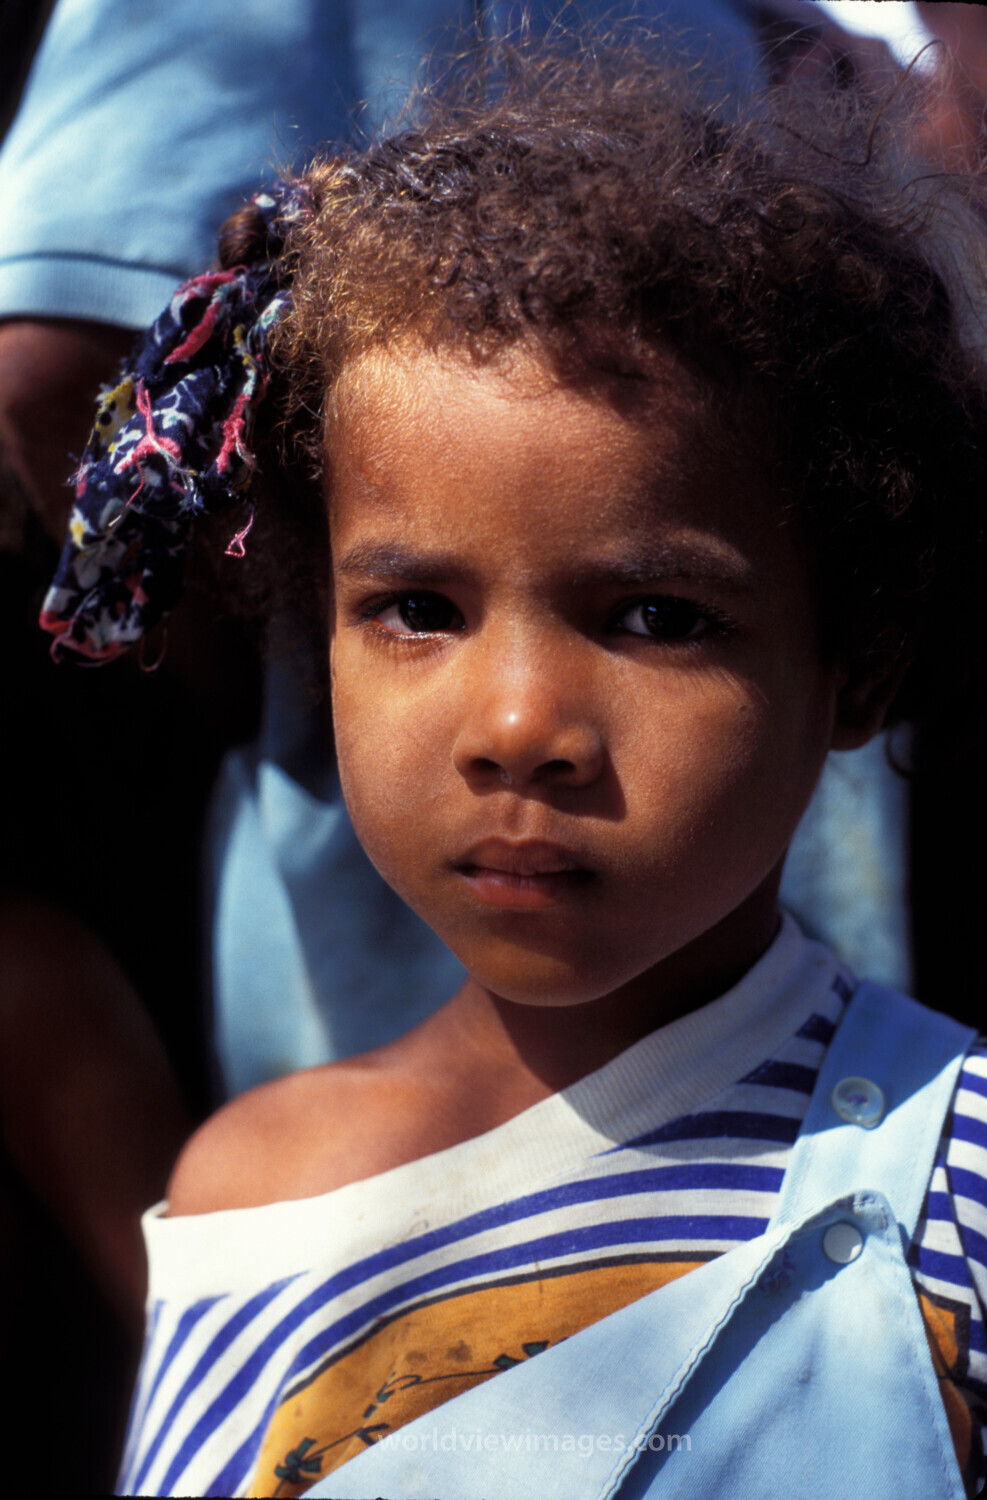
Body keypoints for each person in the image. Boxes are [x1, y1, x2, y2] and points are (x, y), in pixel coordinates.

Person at [40, 31, 987, 1500]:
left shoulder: (958, 1174)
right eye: (416, 610)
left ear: (852, 667)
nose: (517, 726)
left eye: (658, 618)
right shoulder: (246, 1194)